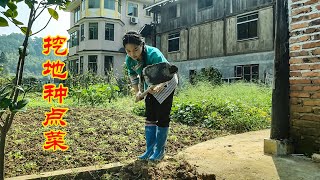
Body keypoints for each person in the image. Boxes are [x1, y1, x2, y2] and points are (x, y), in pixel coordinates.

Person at [123, 31, 178, 161]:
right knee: (150, 116)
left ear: (142, 44)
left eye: (135, 49)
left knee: (162, 116)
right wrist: (137, 92)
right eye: (128, 51)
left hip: (167, 82)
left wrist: (160, 85)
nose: (132, 54)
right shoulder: (130, 59)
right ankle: (149, 150)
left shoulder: (154, 54)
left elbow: (169, 71)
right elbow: (133, 76)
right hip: (150, 85)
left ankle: (159, 151)